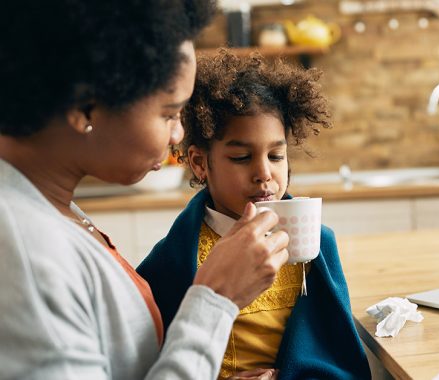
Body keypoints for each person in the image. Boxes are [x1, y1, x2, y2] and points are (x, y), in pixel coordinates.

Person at [0, 1, 290, 379]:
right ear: (85, 107)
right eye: (169, 113)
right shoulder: (23, 249)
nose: (178, 134)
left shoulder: (51, 209)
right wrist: (215, 300)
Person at [136, 52, 371, 380]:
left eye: (276, 155)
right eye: (241, 157)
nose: (264, 173)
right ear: (201, 163)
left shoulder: (318, 244)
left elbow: (336, 352)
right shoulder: (175, 258)